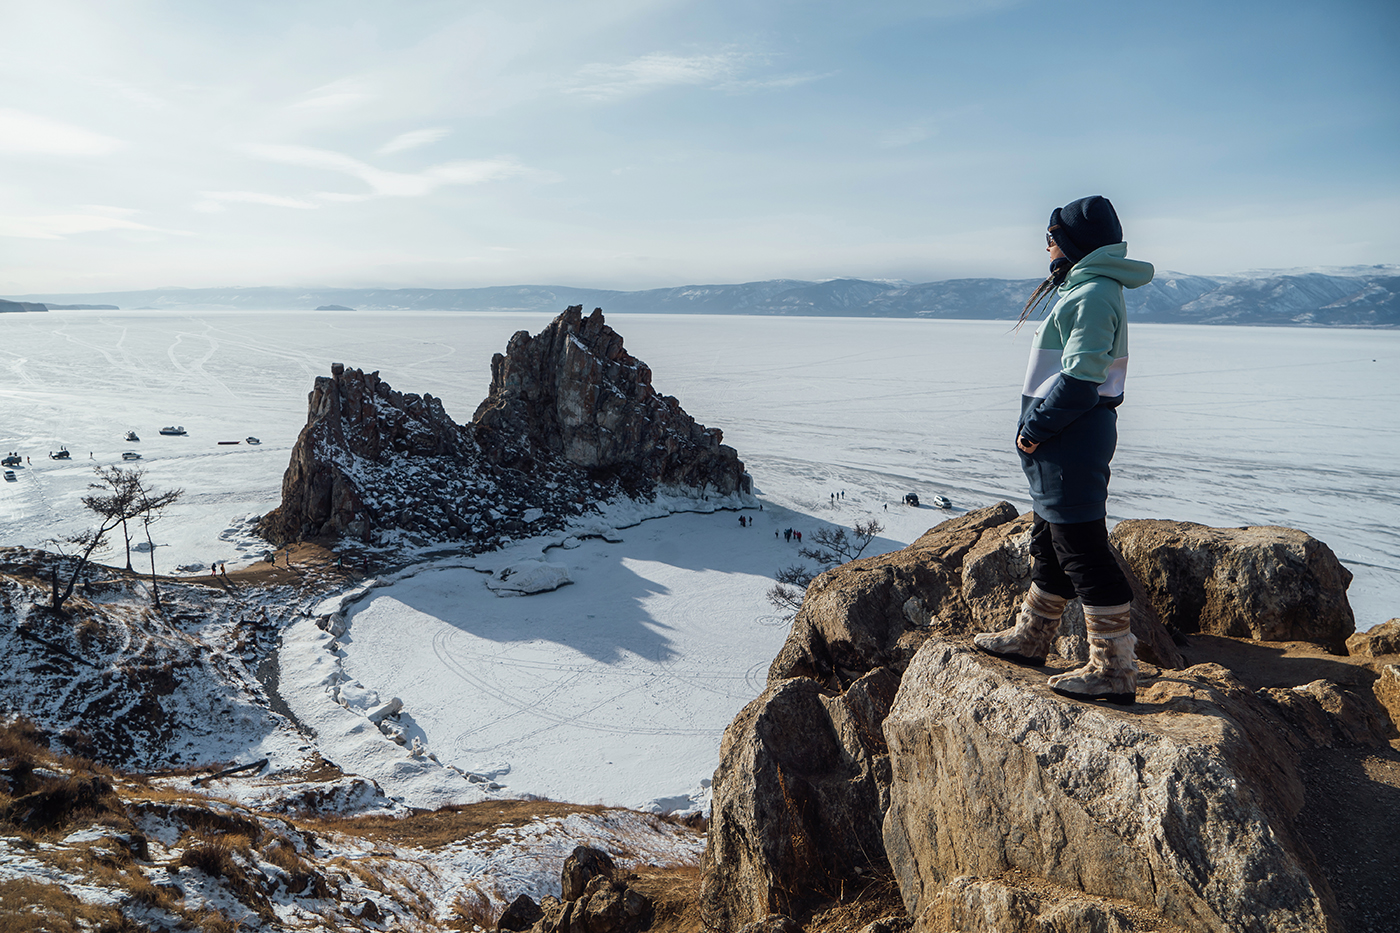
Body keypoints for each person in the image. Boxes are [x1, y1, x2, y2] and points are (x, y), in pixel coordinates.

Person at [973, 195, 1153, 706]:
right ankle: (1030, 639)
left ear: (1073, 243)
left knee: (1082, 548)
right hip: (1063, 441)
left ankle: (1114, 669)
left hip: (1069, 437)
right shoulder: (1087, 289)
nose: (1046, 249)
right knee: (1051, 541)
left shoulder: (1092, 293)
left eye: (1050, 239)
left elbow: (1080, 379)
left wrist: (1035, 429)